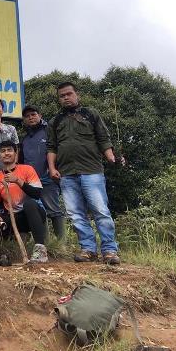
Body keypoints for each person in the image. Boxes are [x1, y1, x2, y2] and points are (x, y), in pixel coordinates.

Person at [47, 82, 120, 265]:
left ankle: (110, 250)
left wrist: (111, 157)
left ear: (76, 94)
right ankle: (88, 249)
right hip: (66, 173)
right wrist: (52, 168)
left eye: (69, 94)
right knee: (75, 214)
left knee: (100, 211)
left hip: (92, 170)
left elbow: (103, 138)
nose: (66, 97)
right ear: (59, 98)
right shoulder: (55, 121)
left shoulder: (91, 114)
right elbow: (51, 147)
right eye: (62, 95)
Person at [0, 141, 48, 263]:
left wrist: (17, 180)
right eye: (3, 151)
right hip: (12, 217)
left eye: (9, 150)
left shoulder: (27, 169)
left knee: (29, 204)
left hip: (33, 215)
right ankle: (6, 251)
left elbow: (36, 194)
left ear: (16, 153)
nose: (6, 153)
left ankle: (40, 250)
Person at [19, 105, 66, 240]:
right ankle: (45, 244)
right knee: (37, 212)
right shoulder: (25, 138)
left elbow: (58, 152)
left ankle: (61, 245)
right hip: (30, 183)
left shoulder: (49, 131)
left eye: (33, 114)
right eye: (27, 116)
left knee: (54, 210)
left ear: (40, 115)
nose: (30, 118)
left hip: (47, 179)